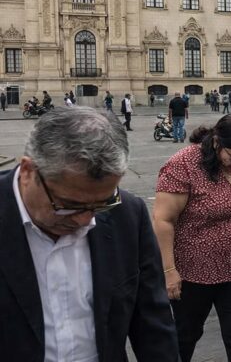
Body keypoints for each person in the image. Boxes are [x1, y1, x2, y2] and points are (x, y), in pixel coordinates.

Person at [0, 107, 178, 361]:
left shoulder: (127, 214)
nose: (86, 219)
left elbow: (153, 323)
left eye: (101, 203)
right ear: (29, 171)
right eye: (68, 205)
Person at [153, 112, 231, 362]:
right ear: (218, 143)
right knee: (183, 337)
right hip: (192, 275)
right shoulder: (185, 163)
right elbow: (163, 220)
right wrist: (168, 271)